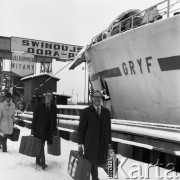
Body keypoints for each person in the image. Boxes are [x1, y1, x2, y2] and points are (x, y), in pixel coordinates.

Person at [78, 90, 112, 180]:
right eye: (95, 97)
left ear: (101, 99)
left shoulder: (106, 112)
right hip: (90, 144)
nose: (97, 98)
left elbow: (109, 129)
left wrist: (109, 144)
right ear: (92, 99)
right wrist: (80, 144)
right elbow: (81, 129)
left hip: (103, 144)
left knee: (102, 162)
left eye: (99, 97)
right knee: (93, 165)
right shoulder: (86, 112)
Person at [31, 90, 57, 170]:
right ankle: (42, 162)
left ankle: (37, 160)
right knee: (41, 144)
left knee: (42, 144)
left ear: (52, 97)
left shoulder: (53, 106)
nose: (49, 97)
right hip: (39, 128)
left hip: (48, 130)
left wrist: (54, 129)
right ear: (45, 96)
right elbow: (35, 117)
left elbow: (54, 119)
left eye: (50, 96)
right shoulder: (39, 105)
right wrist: (32, 128)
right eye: (47, 95)